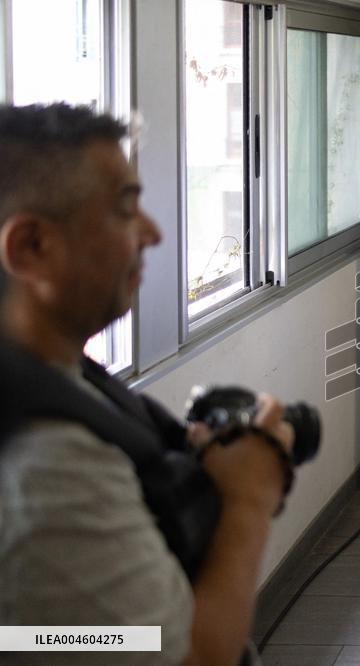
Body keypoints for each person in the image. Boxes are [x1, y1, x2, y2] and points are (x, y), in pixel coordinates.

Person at [0, 103, 295, 665]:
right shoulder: (46, 468)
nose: (153, 232)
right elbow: (182, 655)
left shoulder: (57, 373)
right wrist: (249, 496)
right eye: (124, 208)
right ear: (31, 248)